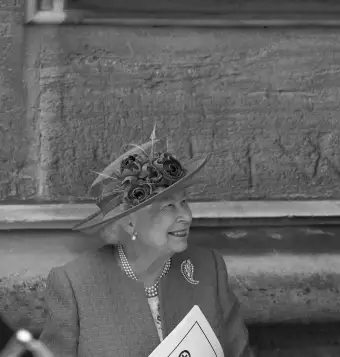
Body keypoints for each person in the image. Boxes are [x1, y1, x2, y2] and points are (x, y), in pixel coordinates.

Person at [38, 135, 253, 357]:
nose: (186, 217)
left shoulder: (208, 267)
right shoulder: (75, 285)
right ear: (131, 223)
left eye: (184, 202)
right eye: (168, 206)